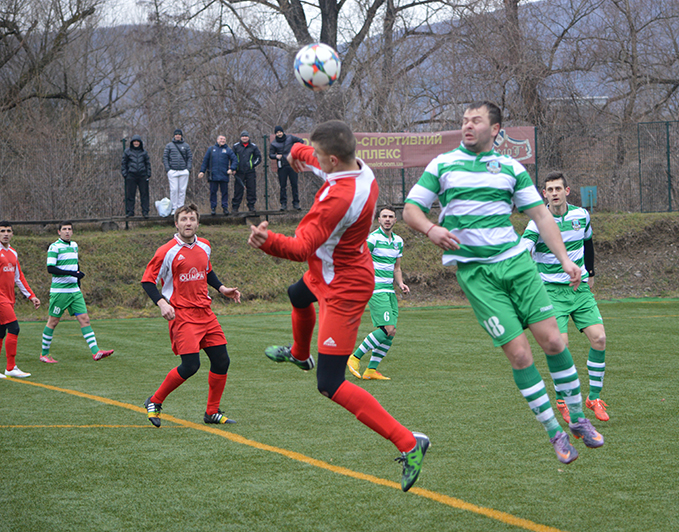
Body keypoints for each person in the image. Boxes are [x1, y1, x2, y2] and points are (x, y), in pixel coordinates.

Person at [402, 101, 603, 464]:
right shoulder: (443, 164)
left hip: (517, 266)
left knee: (555, 341)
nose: (467, 125)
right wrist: (431, 229)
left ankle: (577, 419)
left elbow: (541, 215)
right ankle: (555, 433)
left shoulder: (510, 168)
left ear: (495, 129)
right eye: (464, 120)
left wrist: (566, 260)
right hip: (478, 277)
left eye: (476, 120)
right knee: (521, 354)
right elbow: (411, 209)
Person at [248, 120, 429, 492]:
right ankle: (299, 354)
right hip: (334, 267)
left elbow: (300, 248)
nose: (313, 160)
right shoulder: (359, 169)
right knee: (298, 296)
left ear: (332, 160)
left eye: (317, 156)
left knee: (329, 383)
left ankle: (409, 443)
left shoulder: (339, 200)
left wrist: (266, 241)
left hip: (343, 286)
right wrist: (293, 150)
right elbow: (311, 157)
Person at [141, 203, 242, 427]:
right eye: (184, 219)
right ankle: (154, 401)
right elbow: (147, 280)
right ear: (176, 223)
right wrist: (161, 303)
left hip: (205, 313)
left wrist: (222, 288)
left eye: (192, 219)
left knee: (221, 360)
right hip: (183, 315)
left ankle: (212, 412)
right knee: (190, 366)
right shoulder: (166, 250)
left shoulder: (205, 246)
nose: (188, 223)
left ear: (198, 223)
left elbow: (207, 271)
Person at [522, 171, 609, 423]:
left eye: (558, 189)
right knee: (561, 345)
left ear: (567, 191)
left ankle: (594, 398)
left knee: (599, 338)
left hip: (579, 288)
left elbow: (588, 243)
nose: (554, 194)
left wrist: (590, 273)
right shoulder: (536, 222)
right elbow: (525, 247)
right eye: (549, 190)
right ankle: (563, 399)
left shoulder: (581, 216)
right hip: (550, 292)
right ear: (544, 194)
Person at [347, 205, 410, 380]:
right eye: (384, 216)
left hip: (389, 290)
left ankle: (371, 370)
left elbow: (396, 267)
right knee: (387, 328)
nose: (388, 219)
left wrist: (400, 283)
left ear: (395, 220)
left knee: (391, 332)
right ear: (379, 220)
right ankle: (354, 357)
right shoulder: (373, 239)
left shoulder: (398, 241)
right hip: (375, 289)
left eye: (391, 216)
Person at [40, 222, 113, 363]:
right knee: (53, 322)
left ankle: (96, 352)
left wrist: (78, 281)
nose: (67, 232)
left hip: (74, 291)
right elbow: (51, 269)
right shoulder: (54, 247)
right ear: (58, 232)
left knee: (85, 319)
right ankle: (44, 354)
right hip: (60, 292)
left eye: (69, 229)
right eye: (64, 229)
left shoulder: (74, 245)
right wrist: (72, 273)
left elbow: (75, 265)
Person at [0, 222, 41, 378]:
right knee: (14, 328)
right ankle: (11, 367)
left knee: (0, 332)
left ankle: (9, 368)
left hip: (9, 298)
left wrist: (31, 295)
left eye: (8, 231)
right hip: (0, 298)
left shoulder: (13, 253)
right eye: (2, 231)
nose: (5, 233)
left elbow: (19, 277)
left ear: (12, 234)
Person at [198, 135, 238, 216]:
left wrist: (232, 169)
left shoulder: (228, 150)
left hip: (224, 175)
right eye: (221, 139)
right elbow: (205, 161)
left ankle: (225, 208)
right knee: (213, 192)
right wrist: (202, 171)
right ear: (217, 140)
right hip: (213, 175)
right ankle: (213, 208)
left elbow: (235, 160)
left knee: (224, 193)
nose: (222, 140)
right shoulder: (211, 149)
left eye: (224, 139)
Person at [269, 126, 304, 210]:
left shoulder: (290, 138)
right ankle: (283, 204)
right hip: (282, 166)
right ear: (275, 134)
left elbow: (301, 141)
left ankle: (296, 203)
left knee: (294, 185)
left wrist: (295, 150)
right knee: (282, 186)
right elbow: (270, 154)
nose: (279, 134)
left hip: (292, 164)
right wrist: (276, 156)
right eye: (277, 133)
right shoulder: (274, 143)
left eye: (280, 132)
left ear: (283, 132)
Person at [121, 135, 151, 218]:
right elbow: (124, 164)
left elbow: (147, 163)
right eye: (135, 141)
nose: (136, 143)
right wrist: (125, 174)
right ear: (132, 143)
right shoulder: (127, 152)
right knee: (130, 195)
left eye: (137, 142)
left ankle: (145, 212)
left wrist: (148, 174)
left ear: (140, 143)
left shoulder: (144, 152)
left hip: (142, 175)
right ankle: (130, 212)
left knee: (144, 194)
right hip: (131, 175)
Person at [163, 129, 192, 215]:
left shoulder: (186, 146)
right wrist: (168, 169)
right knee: (174, 190)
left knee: (182, 190)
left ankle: (181, 208)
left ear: (181, 136)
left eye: (179, 134)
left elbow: (189, 157)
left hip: (183, 171)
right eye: (176, 134)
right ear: (174, 136)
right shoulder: (169, 146)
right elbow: (165, 158)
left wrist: (188, 169)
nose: (178, 136)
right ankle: (174, 208)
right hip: (173, 171)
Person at [232, 131, 262, 213]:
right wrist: (233, 168)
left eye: (246, 136)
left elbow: (259, 158)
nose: (244, 137)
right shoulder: (236, 146)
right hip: (239, 172)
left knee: (251, 189)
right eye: (243, 136)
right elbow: (232, 158)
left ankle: (251, 206)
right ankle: (235, 207)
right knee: (238, 190)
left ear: (248, 137)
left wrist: (251, 165)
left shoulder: (253, 147)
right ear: (240, 137)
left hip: (250, 172)